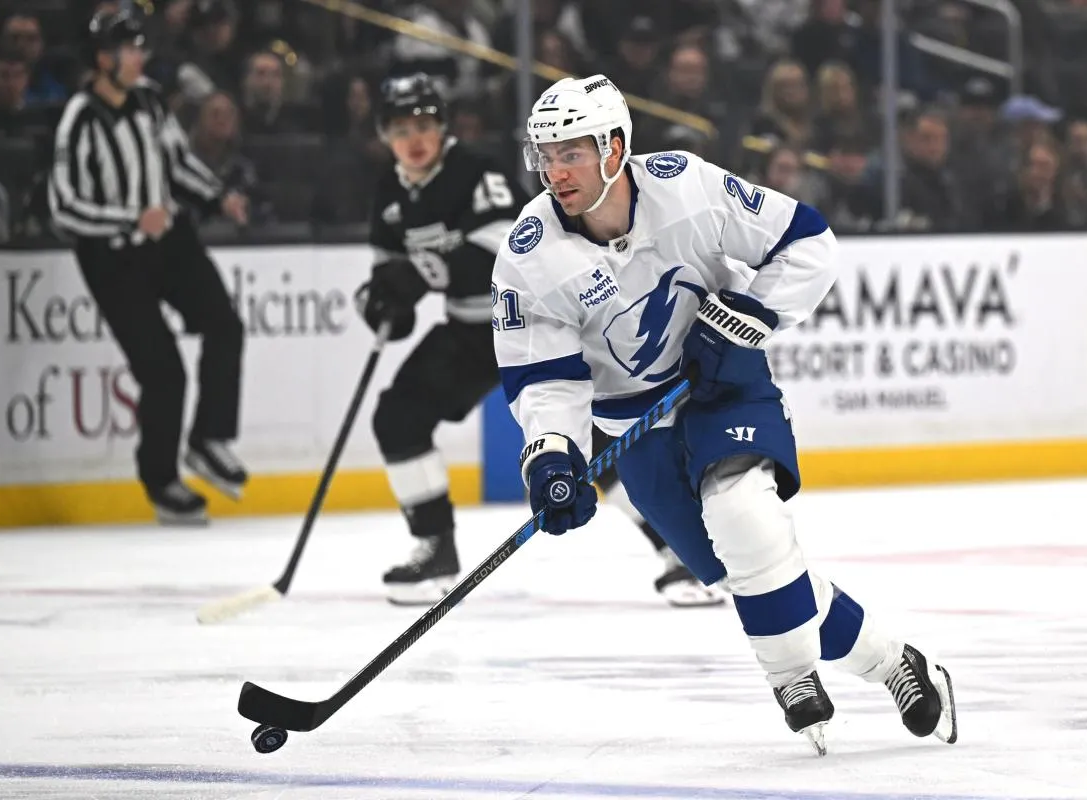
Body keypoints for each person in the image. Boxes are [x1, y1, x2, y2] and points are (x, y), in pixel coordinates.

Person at [492, 74, 958, 755]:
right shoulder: (529, 258)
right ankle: (895, 663)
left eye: (572, 152)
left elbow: (807, 241)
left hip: (722, 386)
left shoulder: (686, 188)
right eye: (546, 155)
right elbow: (543, 377)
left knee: (745, 517)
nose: (555, 171)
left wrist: (744, 316)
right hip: (634, 428)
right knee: (743, 571)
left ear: (616, 148)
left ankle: (789, 674)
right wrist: (554, 454)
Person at [359, 73, 722, 608]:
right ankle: (433, 547)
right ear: (383, 136)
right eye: (399, 129)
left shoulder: (476, 171)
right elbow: (391, 274)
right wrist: (383, 299)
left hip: (541, 326)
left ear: (442, 127)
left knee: (596, 445)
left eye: (424, 124)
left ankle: (678, 550)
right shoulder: (390, 192)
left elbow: (504, 253)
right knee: (396, 418)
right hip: (468, 332)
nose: (414, 139)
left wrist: (423, 273)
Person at [48, 8, 249, 525]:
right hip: (113, 256)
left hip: (169, 238)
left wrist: (219, 195)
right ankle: (161, 480)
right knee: (163, 370)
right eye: (130, 49)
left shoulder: (151, 100)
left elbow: (178, 163)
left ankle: (208, 440)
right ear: (102, 58)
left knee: (224, 324)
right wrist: (131, 219)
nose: (141, 58)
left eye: (141, 48)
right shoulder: (80, 116)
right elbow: (64, 205)